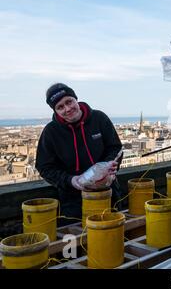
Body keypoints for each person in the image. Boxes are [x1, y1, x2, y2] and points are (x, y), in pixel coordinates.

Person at [36, 83, 123, 223]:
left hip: (107, 194)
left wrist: (110, 165)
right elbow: (44, 167)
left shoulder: (99, 119)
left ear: (76, 99)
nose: (67, 109)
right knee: (79, 241)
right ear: (55, 111)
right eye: (60, 107)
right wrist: (70, 180)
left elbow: (115, 147)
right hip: (73, 201)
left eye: (69, 102)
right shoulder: (51, 132)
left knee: (111, 237)